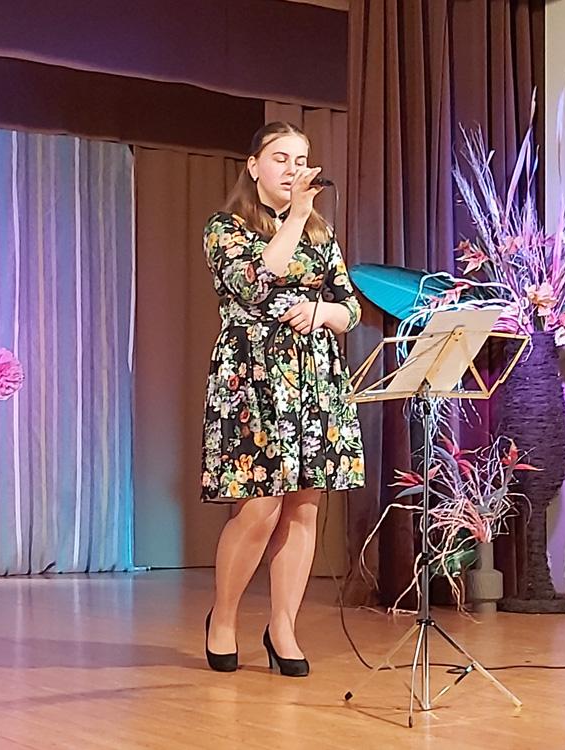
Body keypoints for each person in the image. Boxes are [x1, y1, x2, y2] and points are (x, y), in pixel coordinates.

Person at [200, 122, 365, 677]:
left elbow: (350, 307)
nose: (293, 169)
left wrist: (325, 312)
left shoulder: (321, 232)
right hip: (253, 378)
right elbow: (253, 282)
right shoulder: (226, 228)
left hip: (314, 378)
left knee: (304, 507)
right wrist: (294, 217)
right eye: (280, 158)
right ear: (253, 165)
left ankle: (283, 627)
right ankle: (223, 618)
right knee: (259, 507)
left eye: (301, 159)